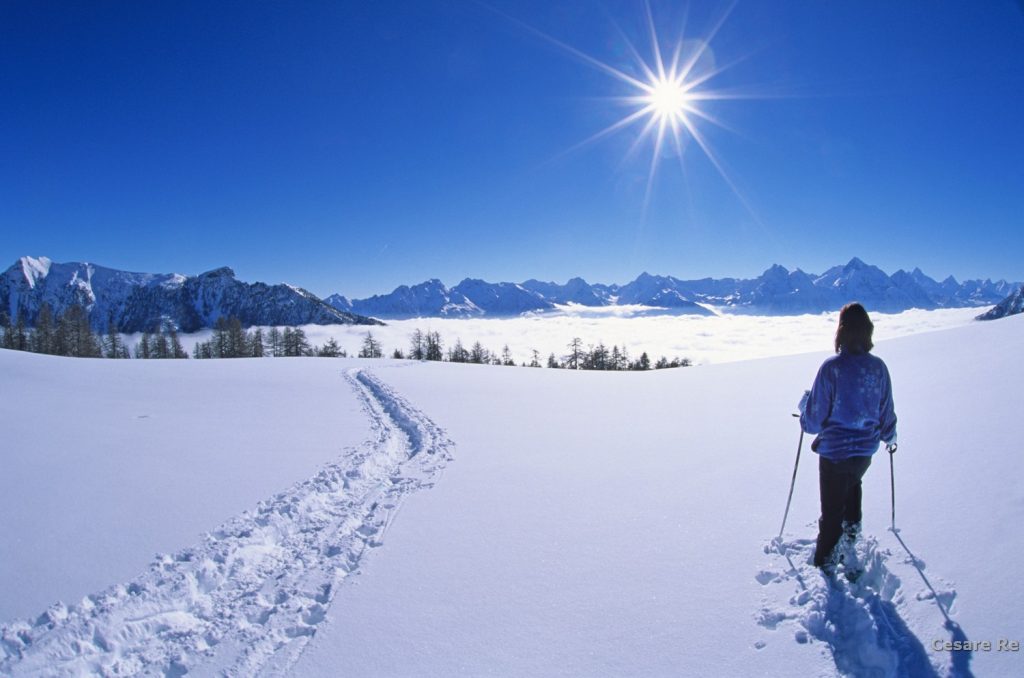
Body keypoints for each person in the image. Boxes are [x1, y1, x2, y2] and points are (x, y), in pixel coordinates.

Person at [799, 302, 897, 570]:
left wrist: (803, 408)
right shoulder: (878, 368)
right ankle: (851, 534)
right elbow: (885, 410)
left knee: (831, 510)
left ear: (841, 331)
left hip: (834, 454)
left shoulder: (832, 368)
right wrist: (890, 437)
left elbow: (813, 421)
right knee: (853, 484)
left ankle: (826, 560)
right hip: (865, 451)